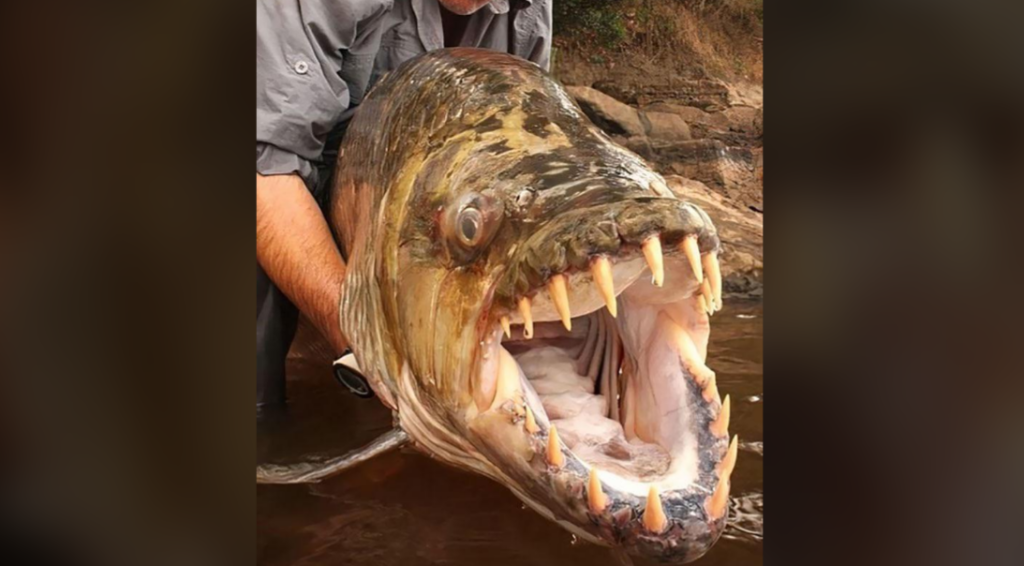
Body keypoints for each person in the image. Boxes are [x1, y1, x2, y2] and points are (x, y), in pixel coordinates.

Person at [256, 0, 552, 412]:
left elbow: (517, 163)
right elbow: (265, 170)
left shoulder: (531, 11)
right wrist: (367, 339)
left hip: (403, 195)